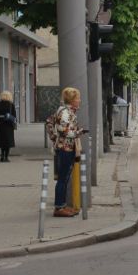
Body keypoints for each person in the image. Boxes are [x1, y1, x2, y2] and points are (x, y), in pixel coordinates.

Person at [52, 87, 87, 218]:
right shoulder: (65, 112)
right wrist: (78, 132)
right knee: (62, 178)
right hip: (65, 148)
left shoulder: (68, 111)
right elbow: (63, 130)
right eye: (77, 98)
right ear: (72, 100)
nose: (79, 100)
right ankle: (59, 207)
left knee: (65, 178)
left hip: (67, 147)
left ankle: (62, 205)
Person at [0, 90, 17, 163]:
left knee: (2, 140)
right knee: (8, 141)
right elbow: (14, 116)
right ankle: (6, 157)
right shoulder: (11, 105)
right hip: (8, 124)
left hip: (1, 124)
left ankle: (2, 156)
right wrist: (15, 125)